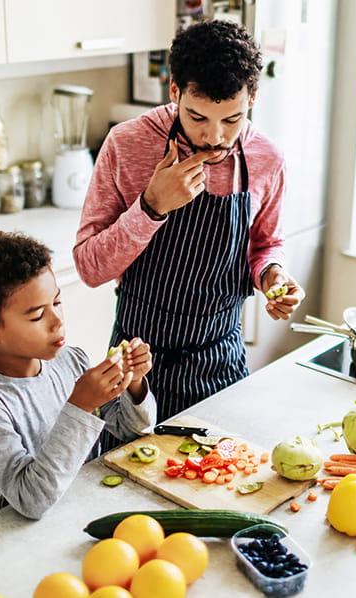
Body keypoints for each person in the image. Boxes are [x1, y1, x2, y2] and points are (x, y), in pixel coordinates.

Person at [73, 20, 304, 438]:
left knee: (218, 487)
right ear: (174, 91)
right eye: (198, 117)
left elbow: (266, 244)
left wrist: (273, 275)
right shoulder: (127, 145)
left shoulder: (267, 159)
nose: (214, 138)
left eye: (232, 119)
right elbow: (89, 267)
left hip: (221, 365)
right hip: (136, 369)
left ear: (253, 97)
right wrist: (151, 206)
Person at [0, 232, 156, 521]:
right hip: (10, 544)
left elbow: (133, 432)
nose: (58, 322)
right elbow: (31, 500)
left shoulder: (71, 361)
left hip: (76, 518)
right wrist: (79, 406)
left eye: (56, 303)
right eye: (36, 316)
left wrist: (134, 383)